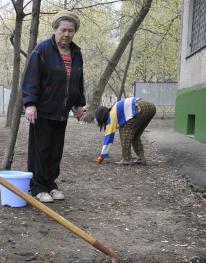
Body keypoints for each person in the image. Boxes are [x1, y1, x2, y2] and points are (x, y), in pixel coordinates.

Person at [22, 11, 85, 203]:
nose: (66, 34)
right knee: (41, 150)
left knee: (56, 151)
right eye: (63, 30)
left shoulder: (76, 53)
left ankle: (50, 184)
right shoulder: (41, 50)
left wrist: (79, 103)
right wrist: (30, 104)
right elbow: (31, 78)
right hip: (43, 110)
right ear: (55, 30)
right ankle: (38, 187)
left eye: (70, 31)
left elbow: (77, 80)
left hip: (62, 111)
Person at [94, 97, 156, 165]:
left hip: (140, 107)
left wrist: (102, 156)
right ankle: (141, 158)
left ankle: (127, 159)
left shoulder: (111, 116)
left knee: (124, 131)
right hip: (151, 107)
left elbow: (108, 138)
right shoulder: (115, 110)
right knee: (135, 136)